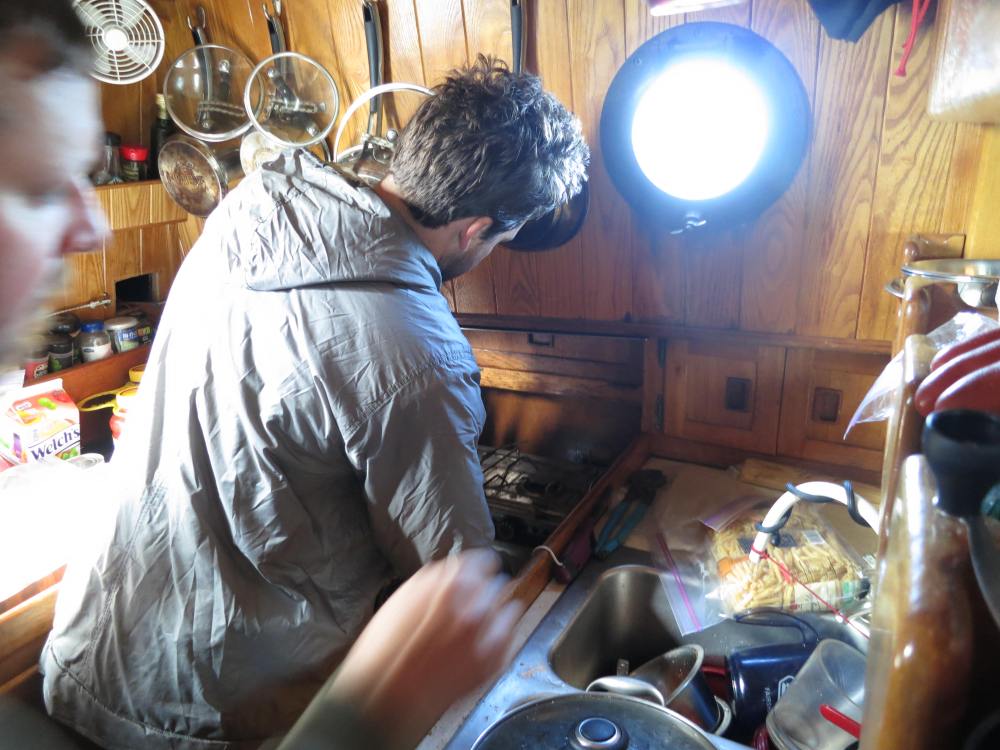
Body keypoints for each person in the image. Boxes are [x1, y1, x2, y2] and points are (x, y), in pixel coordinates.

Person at [0, 2, 586, 749]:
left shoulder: (253, 203)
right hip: (211, 722)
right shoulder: (419, 355)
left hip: (93, 659)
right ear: (476, 231)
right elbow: (451, 585)